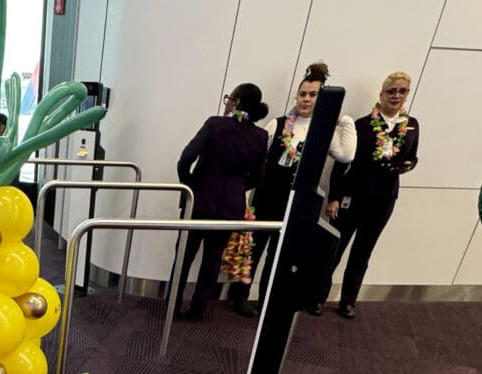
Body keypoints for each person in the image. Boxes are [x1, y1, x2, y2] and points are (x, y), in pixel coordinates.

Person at [227, 62, 356, 317]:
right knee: (253, 247)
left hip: (296, 203)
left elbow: (346, 154)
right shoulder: (278, 123)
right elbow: (256, 156)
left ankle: (267, 300)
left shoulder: (324, 131)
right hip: (266, 196)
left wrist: (343, 119)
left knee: (279, 256)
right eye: (303, 94)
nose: (306, 99)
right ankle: (239, 296)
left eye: (313, 94)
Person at [320, 71, 419, 319]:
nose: (396, 95)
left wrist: (407, 165)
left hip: (384, 199)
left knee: (363, 251)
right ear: (381, 94)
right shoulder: (362, 125)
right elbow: (342, 163)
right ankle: (317, 296)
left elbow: (412, 156)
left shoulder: (411, 126)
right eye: (391, 91)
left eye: (402, 91)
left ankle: (348, 301)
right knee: (335, 247)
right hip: (354, 195)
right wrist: (334, 197)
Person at [175, 83, 269, 320]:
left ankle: (172, 306)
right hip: (231, 208)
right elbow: (258, 178)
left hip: (199, 202)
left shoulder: (214, 124)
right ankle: (197, 311)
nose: (226, 102)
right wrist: (235, 188)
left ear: (236, 102)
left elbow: (185, 159)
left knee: (184, 256)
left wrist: (190, 186)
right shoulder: (260, 136)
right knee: (212, 260)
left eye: (229, 98)